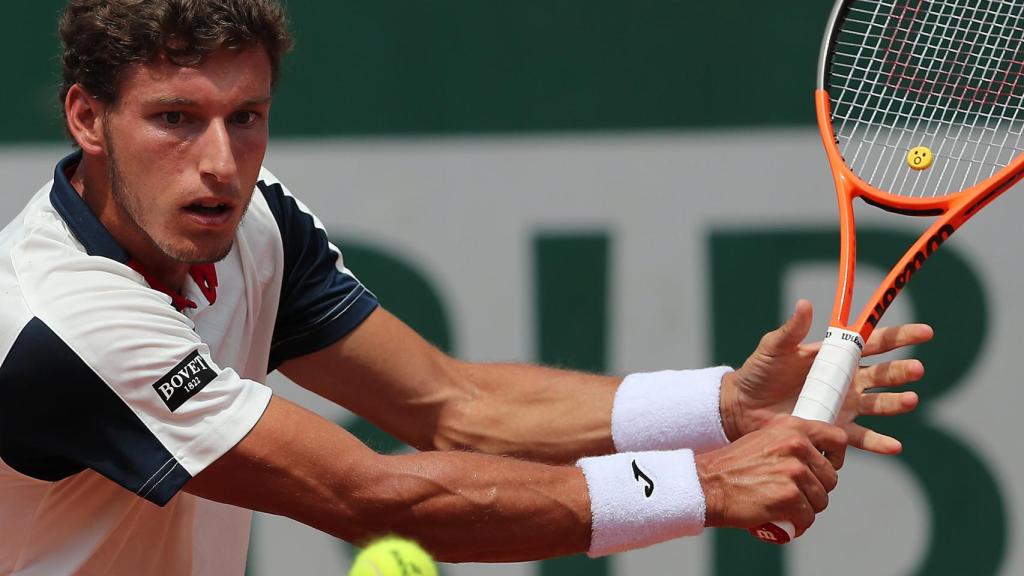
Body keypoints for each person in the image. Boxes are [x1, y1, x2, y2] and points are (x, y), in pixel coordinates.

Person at [0, 1, 932, 574]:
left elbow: (455, 404)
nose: (219, 164)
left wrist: (719, 405)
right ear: (88, 117)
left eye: (246, 118)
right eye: (175, 119)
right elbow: (376, 499)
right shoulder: (68, 318)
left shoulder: (251, 225)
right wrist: (707, 485)